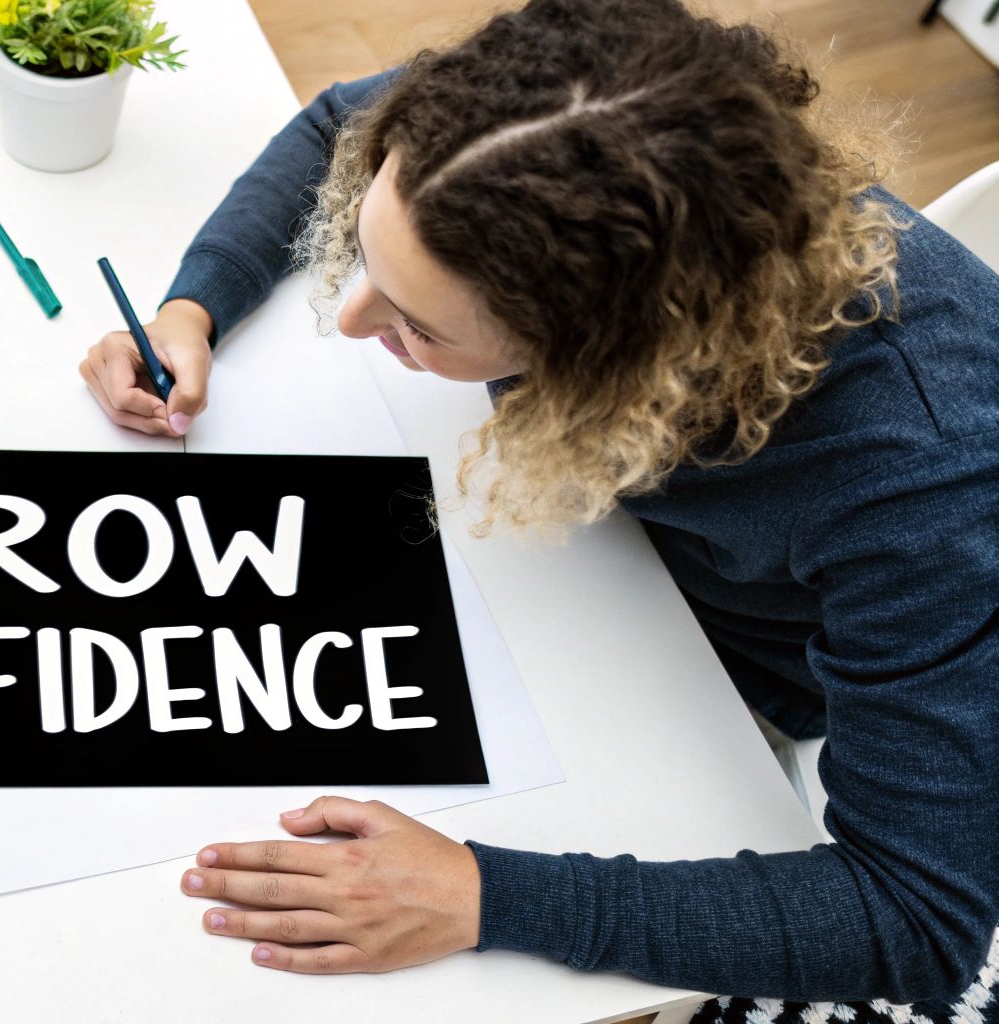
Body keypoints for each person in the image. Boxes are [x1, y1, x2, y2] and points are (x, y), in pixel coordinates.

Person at [80, 0, 999, 1012]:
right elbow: (333, 128)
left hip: (758, 690)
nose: (349, 319)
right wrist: (194, 301)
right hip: (607, 569)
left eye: (415, 321)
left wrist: (484, 892)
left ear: (610, 355)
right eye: (364, 252)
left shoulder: (922, 485)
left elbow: (911, 918)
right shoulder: (554, 142)